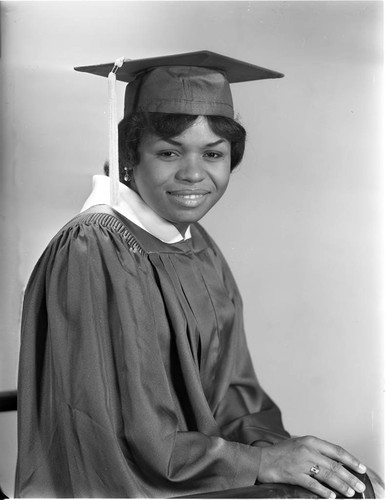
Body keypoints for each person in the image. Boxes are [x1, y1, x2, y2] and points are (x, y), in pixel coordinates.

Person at [15, 51, 372, 498]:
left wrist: (285, 454)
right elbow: (125, 433)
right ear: (129, 155)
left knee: (344, 486)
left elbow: (234, 396)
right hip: (125, 487)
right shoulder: (96, 247)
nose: (193, 174)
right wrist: (259, 463)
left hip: (199, 470)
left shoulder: (193, 244)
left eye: (213, 153)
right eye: (168, 152)